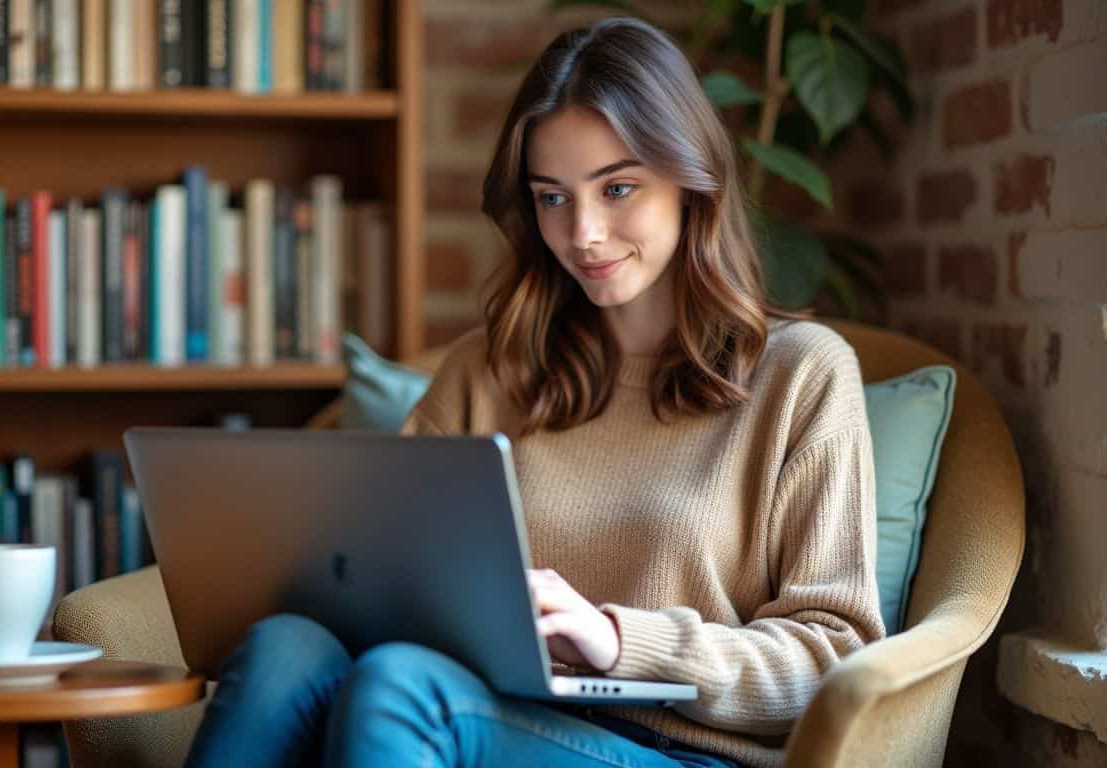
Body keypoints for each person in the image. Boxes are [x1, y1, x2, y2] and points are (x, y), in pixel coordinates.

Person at [186, 16, 885, 768]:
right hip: (483, 709)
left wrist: (620, 641)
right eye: (552, 198)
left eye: (617, 188)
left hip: (679, 751)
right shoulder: (486, 370)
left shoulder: (803, 375)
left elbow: (832, 658)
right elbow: (373, 578)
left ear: (690, 182)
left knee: (400, 689)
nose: (582, 233)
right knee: (286, 647)